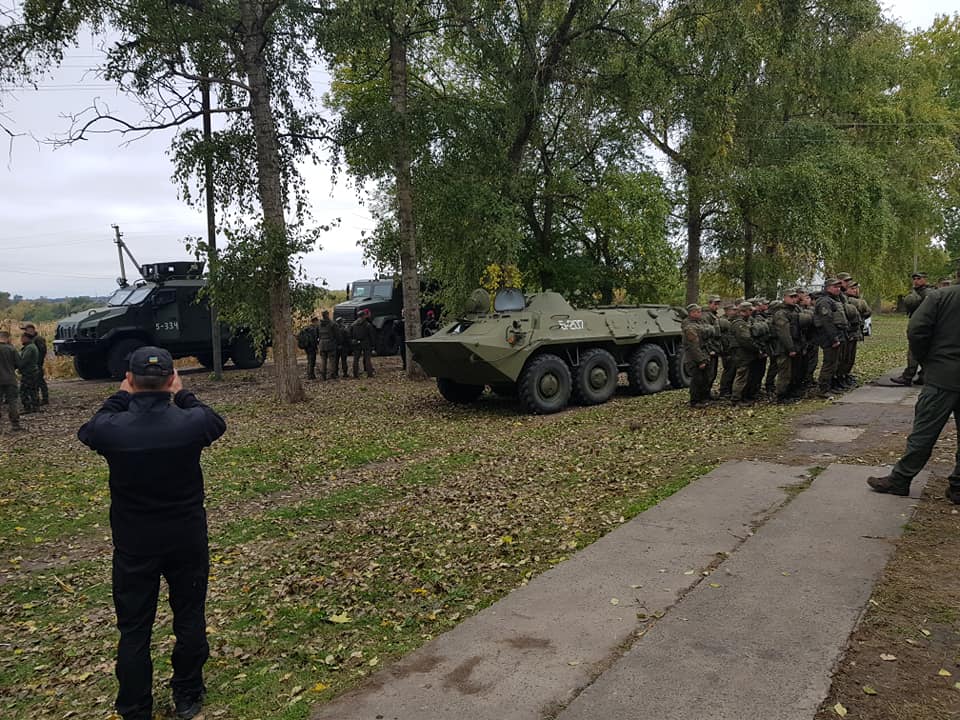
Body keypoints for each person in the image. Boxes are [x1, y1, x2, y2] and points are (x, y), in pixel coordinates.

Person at [78, 347, 226, 720]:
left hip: (134, 545)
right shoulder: (190, 423)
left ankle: (134, 706)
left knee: (133, 630)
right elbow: (214, 420)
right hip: (186, 540)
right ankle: (188, 693)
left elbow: (90, 428)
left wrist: (121, 395)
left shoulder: (113, 429)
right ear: (172, 378)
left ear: (128, 379)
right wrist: (183, 393)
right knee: (190, 617)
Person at [868, 283, 960, 504]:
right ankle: (958, 487)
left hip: (942, 376)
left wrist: (926, 359)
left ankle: (900, 479)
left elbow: (916, 328)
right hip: (943, 372)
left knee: (924, 431)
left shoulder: (941, 296)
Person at [891, 272, 934, 386]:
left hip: (924, 326)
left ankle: (908, 376)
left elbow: (928, 311)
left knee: (914, 351)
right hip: (919, 325)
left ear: (925, 279)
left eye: (919, 278)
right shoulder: (918, 292)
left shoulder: (928, 293)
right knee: (922, 352)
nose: (916, 281)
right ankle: (923, 376)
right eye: (914, 279)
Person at [813, 278, 848, 397]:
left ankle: (829, 386)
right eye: (835, 287)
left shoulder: (832, 300)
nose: (838, 289)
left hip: (835, 335)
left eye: (839, 287)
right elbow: (826, 321)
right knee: (829, 363)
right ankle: (823, 389)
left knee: (834, 362)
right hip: (828, 337)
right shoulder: (824, 302)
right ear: (828, 287)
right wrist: (834, 338)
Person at [771, 289, 801, 403]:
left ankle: (789, 393)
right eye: (791, 297)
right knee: (784, 372)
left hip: (794, 345)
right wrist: (790, 348)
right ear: (785, 297)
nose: (794, 299)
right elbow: (783, 332)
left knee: (793, 371)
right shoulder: (780, 313)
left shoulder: (794, 310)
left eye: (795, 297)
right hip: (784, 347)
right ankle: (781, 395)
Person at [731, 302, 761, 406]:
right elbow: (745, 340)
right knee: (741, 376)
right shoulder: (739, 324)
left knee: (746, 376)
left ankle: (743, 396)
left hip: (746, 354)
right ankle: (736, 399)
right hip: (741, 354)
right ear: (744, 311)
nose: (751, 312)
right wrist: (756, 348)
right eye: (750, 310)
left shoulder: (745, 322)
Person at [681, 304, 711, 408]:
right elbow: (693, 345)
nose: (700, 313)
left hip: (702, 354)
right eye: (698, 312)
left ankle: (703, 398)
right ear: (692, 313)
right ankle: (695, 401)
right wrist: (700, 360)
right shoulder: (689, 327)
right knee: (697, 380)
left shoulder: (698, 323)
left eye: (700, 311)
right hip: (694, 358)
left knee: (704, 379)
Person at [0, 331, 23, 432]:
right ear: (7, 338)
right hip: (10, 379)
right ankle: (15, 424)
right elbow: (19, 364)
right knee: (12, 401)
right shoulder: (11, 349)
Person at [21, 322, 48, 405]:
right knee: (36, 383)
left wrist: (38, 363)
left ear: (31, 330)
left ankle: (45, 398)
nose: (24, 332)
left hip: (37, 364)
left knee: (40, 382)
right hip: (34, 365)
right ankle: (38, 400)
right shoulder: (32, 340)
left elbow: (42, 352)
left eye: (26, 330)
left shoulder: (38, 339)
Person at [350, 309, 376, 378]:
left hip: (356, 343)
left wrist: (353, 341)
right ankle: (369, 373)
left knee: (356, 359)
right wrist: (373, 345)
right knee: (367, 359)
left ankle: (355, 374)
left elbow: (350, 335)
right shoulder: (368, 325)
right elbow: (371, 336)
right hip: (366, 343)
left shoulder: (353, 325)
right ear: (363, 316)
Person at [18, 332, 41, 413]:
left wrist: (17, 365)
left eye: (22, 338)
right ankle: (35, 407)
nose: (21, 339)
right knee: (33, 390)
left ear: (26, 338)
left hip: (29, 372)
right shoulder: (31, 346)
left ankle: (27, 407)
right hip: (33, 371)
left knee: (23, 391)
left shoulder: (29, 348)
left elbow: (24, 360)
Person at [316, 310, 336, 380]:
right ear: (327, 315)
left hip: (322, 344)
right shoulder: (332, 324)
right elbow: (337, 335)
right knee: (332, 360)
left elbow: (317, 335)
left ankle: (323, 376)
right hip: (330, 343)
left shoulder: (319, 325)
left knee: (323, 361)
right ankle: (332, 375)